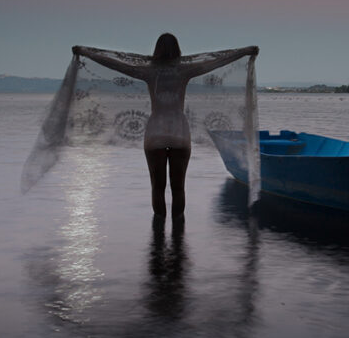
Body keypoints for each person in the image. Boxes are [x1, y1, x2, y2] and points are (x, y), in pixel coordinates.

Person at [72, 33, 258, 218]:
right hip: (180, 134)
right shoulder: (185, 70)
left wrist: (86, 53)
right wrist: (244, 52)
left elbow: (116, 64)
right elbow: (217, 61)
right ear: (178, 50)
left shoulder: (149, 71)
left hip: (155, 134)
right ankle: (178, 236)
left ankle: (159, 235)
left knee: (157, 188)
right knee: (178, 188)